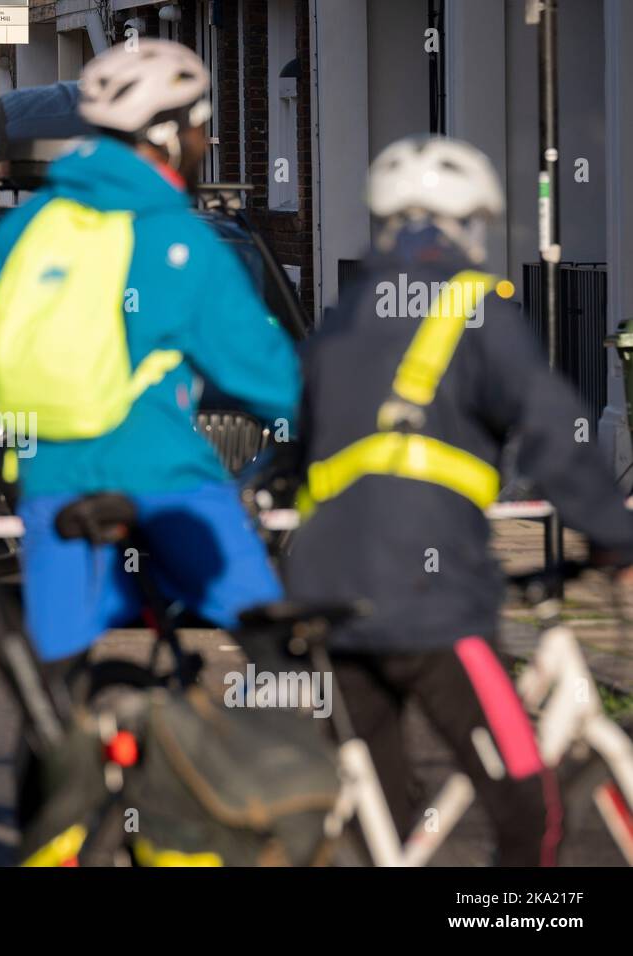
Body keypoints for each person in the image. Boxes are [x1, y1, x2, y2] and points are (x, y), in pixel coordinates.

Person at [282, 135, 633, 866]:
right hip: (427, 598)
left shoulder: (341, 319)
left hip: (325, 594)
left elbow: (294, 454)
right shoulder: (479, 307)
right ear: (469, 224)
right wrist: (613, 539)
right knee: (528, 809)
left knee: (379, 816)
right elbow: (556, 435)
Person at [0, 39, 299, 672]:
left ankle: (76, 749)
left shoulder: (30, 223)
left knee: (59, 675)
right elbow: (266, 374)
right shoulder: (179, 236)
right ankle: (294, 750)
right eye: (201, 124)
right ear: (167, 135)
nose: (206, 140)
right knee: (273, 632)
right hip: (163, 472)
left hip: (48, 475)